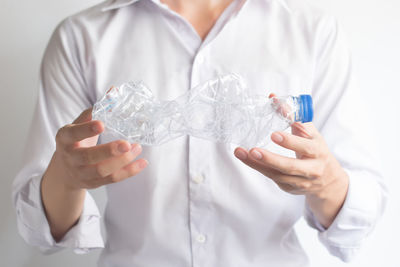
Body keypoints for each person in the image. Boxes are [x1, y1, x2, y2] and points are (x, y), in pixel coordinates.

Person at [12, 0, 387, 266]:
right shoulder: (82, 37)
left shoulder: (311, 30)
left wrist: (326, 182)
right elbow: (40, 232)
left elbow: (362, 216)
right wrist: (66, 176)